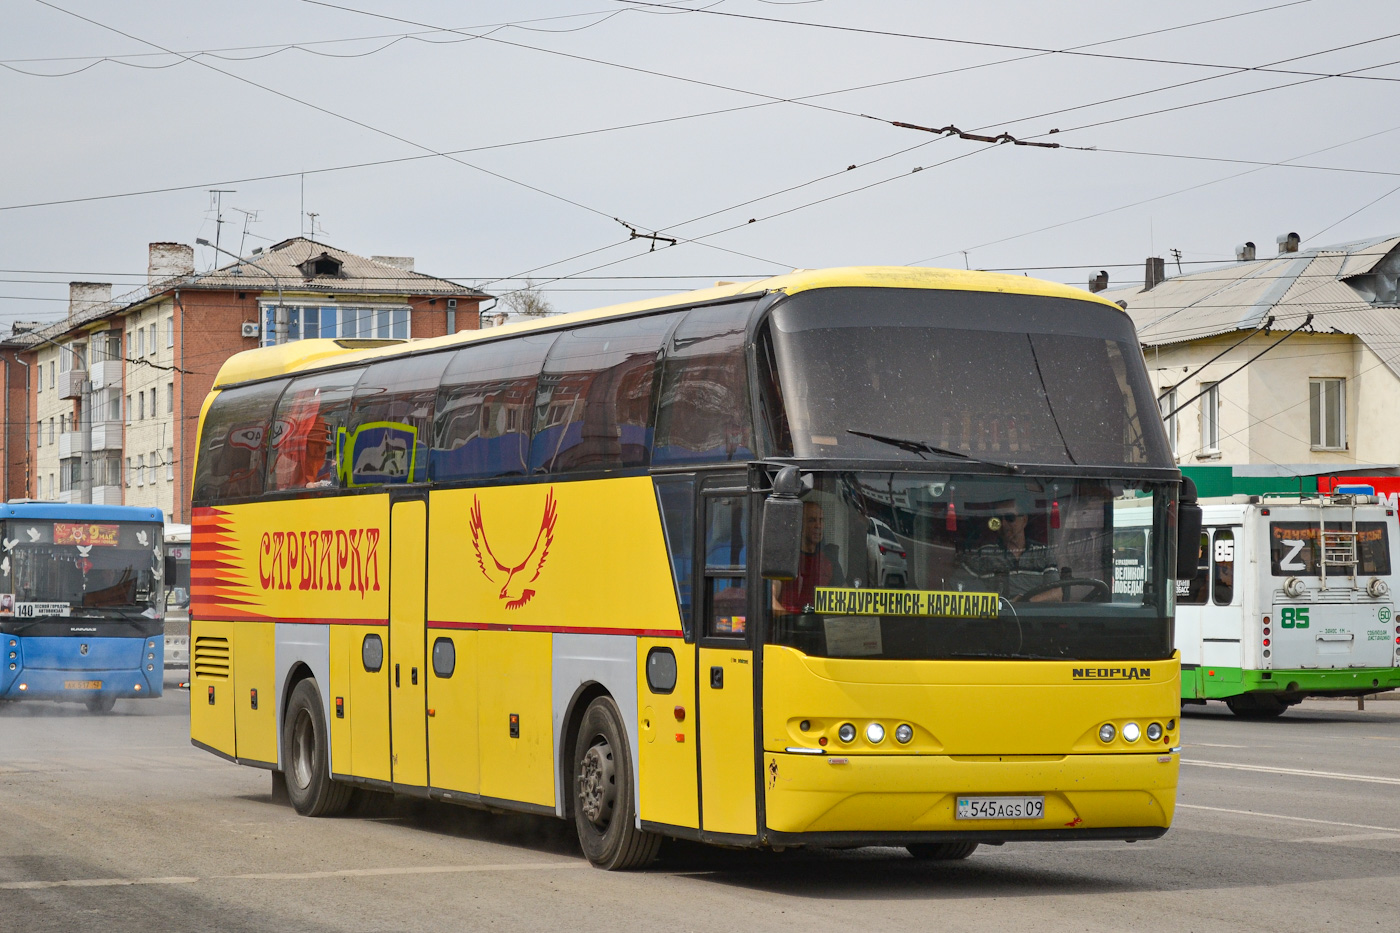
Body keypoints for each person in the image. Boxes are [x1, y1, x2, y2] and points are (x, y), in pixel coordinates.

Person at [955, 500, 1060, 601]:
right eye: (998, 519)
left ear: (1024, 520)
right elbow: (958, 587)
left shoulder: (1043, 552)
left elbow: (1057, 594)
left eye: (1010, 517)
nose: (1003, 524)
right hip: (998, 613)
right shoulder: (984, 553)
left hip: (1034, 613)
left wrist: (1026, 602)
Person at [773, 500, 846, 614]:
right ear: (799, 524)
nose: (818, 526)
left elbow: (845, 599)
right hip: (789, 623)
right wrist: (792, 620)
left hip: (821, 623)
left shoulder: (829, 560)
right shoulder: (784, 559)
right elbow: (771, 602)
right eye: (812, 520)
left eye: (821, 520)